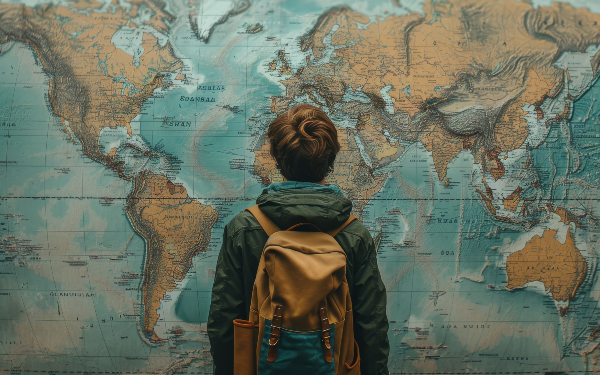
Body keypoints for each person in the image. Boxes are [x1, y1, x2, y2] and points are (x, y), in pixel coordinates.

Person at [207, 104, 390, 374]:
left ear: (278, 159)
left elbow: (223, 324)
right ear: (330, 160)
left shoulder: (243, 230)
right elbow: (371, 330)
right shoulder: (354, 236)